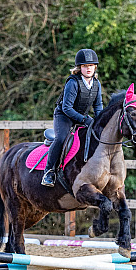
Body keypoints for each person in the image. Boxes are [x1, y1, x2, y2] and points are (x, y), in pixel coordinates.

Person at [41, 48, 103, 187]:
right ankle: (49, 172)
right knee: (61, 138)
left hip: (82, 116)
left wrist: (100, 122)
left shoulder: (96, 84)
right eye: (85, 66)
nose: (88, 69)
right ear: (79, 67)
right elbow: (67, 108)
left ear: (95, 67)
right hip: (64, 116)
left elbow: (98, 106)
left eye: (91, 66)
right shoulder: (73, 82)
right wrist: (85, 120)